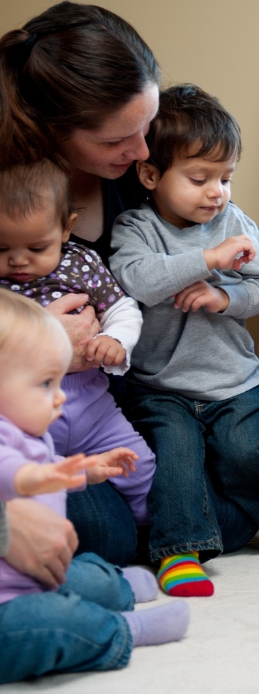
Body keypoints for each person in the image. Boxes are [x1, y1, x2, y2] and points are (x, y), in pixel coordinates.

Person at [0, 1, 259, 566]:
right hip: (48, 419)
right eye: (119, 140)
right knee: (108, 532)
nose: (141, 152)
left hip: (141, 401)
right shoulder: (14, 199)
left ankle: (210, 477)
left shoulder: (132, 178)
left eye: (145, 129)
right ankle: (201, 503)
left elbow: (220, 238)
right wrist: (33, 337)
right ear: (51, 131)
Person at [110, 85, 259, 597]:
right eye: (199, 178)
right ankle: (179, 551)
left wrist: (224, 300)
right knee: (176, 454)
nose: (216, 192)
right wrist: (206, 260)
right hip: (160, 385)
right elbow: (138, 279)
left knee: (247, 449)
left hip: (230, 378)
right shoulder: (135, 228)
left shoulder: (234, 221)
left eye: (225, 178)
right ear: (151, 175)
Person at [0, 290, 188, 683]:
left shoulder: (28, 432)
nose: (58, 399)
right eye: (45, 385)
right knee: (51, 622)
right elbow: (16, 473)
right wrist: (47, 477)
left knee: (88, 575)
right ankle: (122, 631)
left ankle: (117, 589)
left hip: (28, 569)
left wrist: (87, 471)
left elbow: (44, 465)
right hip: (10, 599)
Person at [0, 160, 155, 534]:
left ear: (67, 228)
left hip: (92, 404)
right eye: (2, 247)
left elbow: (121, 307)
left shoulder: (82, 264)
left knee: (141, 464)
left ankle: (148, 529)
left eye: (37, 247)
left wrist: (115, 339)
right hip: (24, 416)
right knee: (39, 489)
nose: (18, 260)